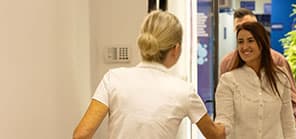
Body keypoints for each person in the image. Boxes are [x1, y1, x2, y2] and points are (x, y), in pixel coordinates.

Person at [73, 10, 225, 139]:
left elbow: (81, 135)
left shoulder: (113, 78)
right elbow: (215, 135)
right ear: (176, 49)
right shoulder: (184, 91)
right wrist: (227, 122)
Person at [218, 8, 296, 129]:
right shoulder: (227, 64)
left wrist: (290, 125)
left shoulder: (278, 61)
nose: (245, 32)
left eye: (250, 27)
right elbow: (224, 106)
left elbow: (291, 101)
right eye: (239, 28)